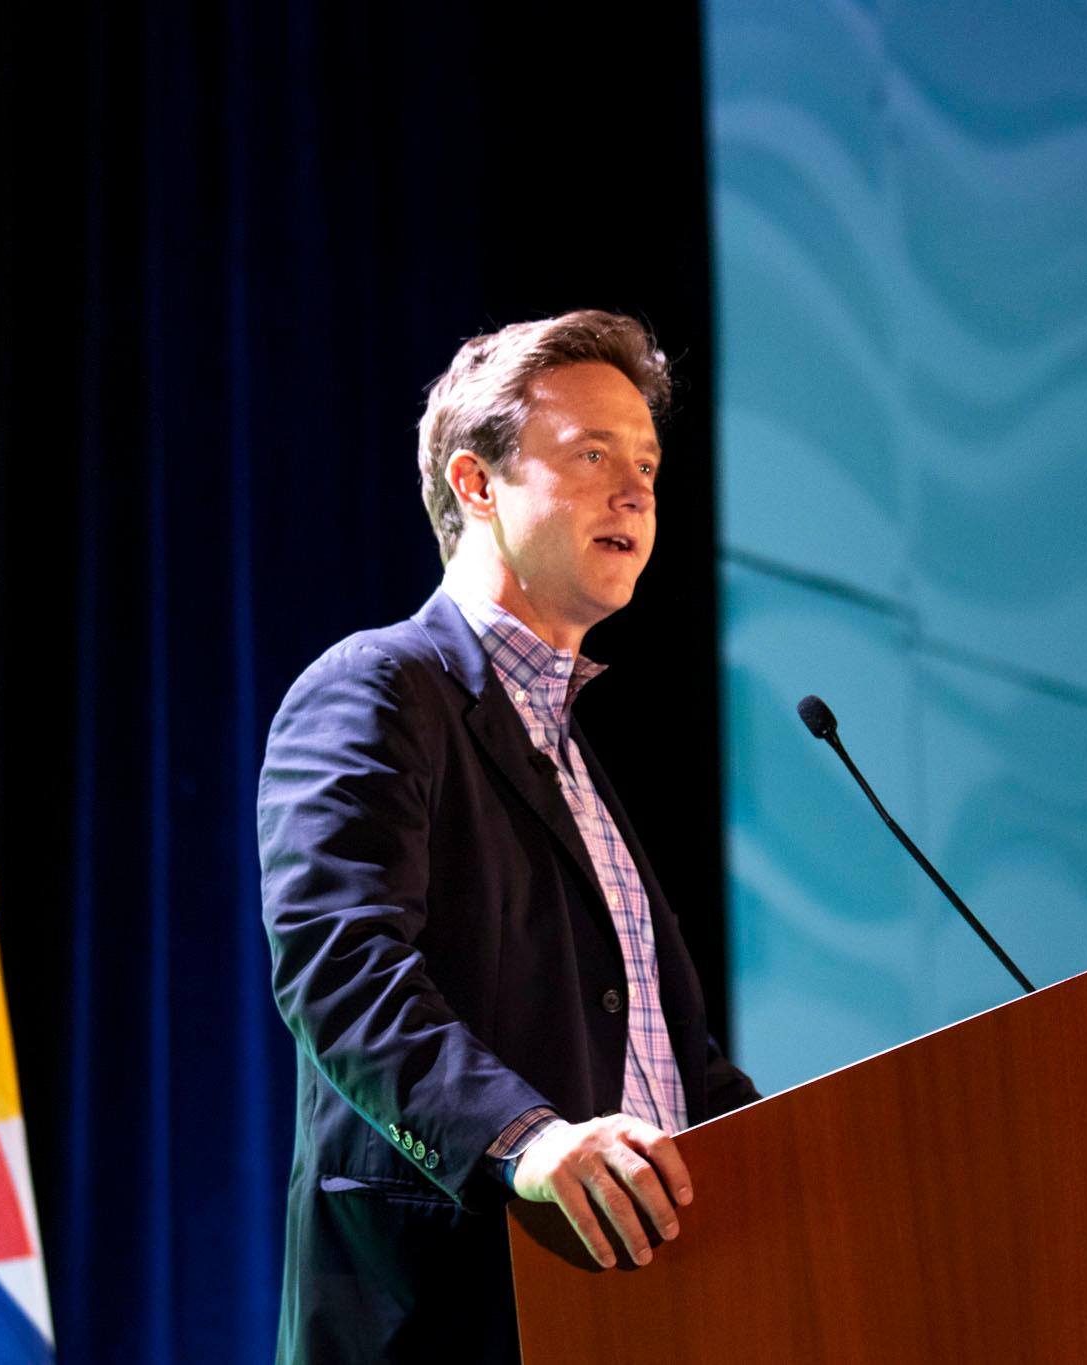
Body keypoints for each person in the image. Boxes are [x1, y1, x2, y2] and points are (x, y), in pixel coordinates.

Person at [257, 310, 759, 1364]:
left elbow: (676, 1072)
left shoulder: (576, 761)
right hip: (455, 1311)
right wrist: (525, 1141)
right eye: (591, 456)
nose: (636, 491)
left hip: (649, 1318)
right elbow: (339, 970)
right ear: (476, 484)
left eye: (647, 466)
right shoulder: (379, 689)